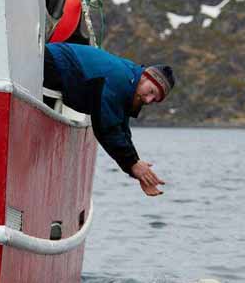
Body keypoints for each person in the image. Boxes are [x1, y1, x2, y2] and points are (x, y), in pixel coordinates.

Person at [43, 43, 175, 196]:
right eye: (151, 91)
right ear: (145, 76)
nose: (148, 100)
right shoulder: (119, 80)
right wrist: (133, 164)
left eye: (154, 99)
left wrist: (136, 166)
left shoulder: (131, 82)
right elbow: (106, 127)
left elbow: (121, 128)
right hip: (51, 62)